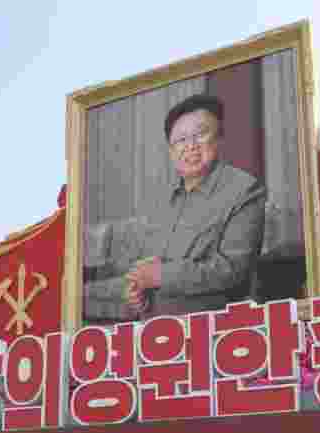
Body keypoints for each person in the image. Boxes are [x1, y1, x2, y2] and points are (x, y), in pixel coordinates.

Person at [84, 94, 267, 322]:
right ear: (171, 151)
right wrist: (138, 293)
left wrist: (161, 276)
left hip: (215, 332)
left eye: (200, 134)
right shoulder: (161, 200)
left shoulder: (245, 189)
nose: (190, 146)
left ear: (220, 139)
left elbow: (232, 270)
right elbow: (146, 266)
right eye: (180, 139)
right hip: (154, 333)